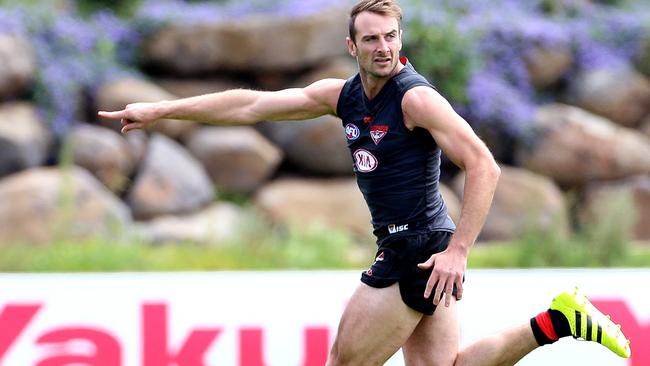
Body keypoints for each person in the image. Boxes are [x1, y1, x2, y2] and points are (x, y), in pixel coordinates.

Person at [99, 0, 631, 364]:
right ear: (352, 46)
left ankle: (555, 318)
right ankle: (559, 321)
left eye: (390, 37)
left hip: (416, 251)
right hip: (423, 248)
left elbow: (484, 163)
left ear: (400, 41)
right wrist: (161, 109)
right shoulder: (341, 95)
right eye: (371, 38)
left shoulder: (415, 98)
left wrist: (460, 252)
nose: (383, 47)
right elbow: (251, 104)